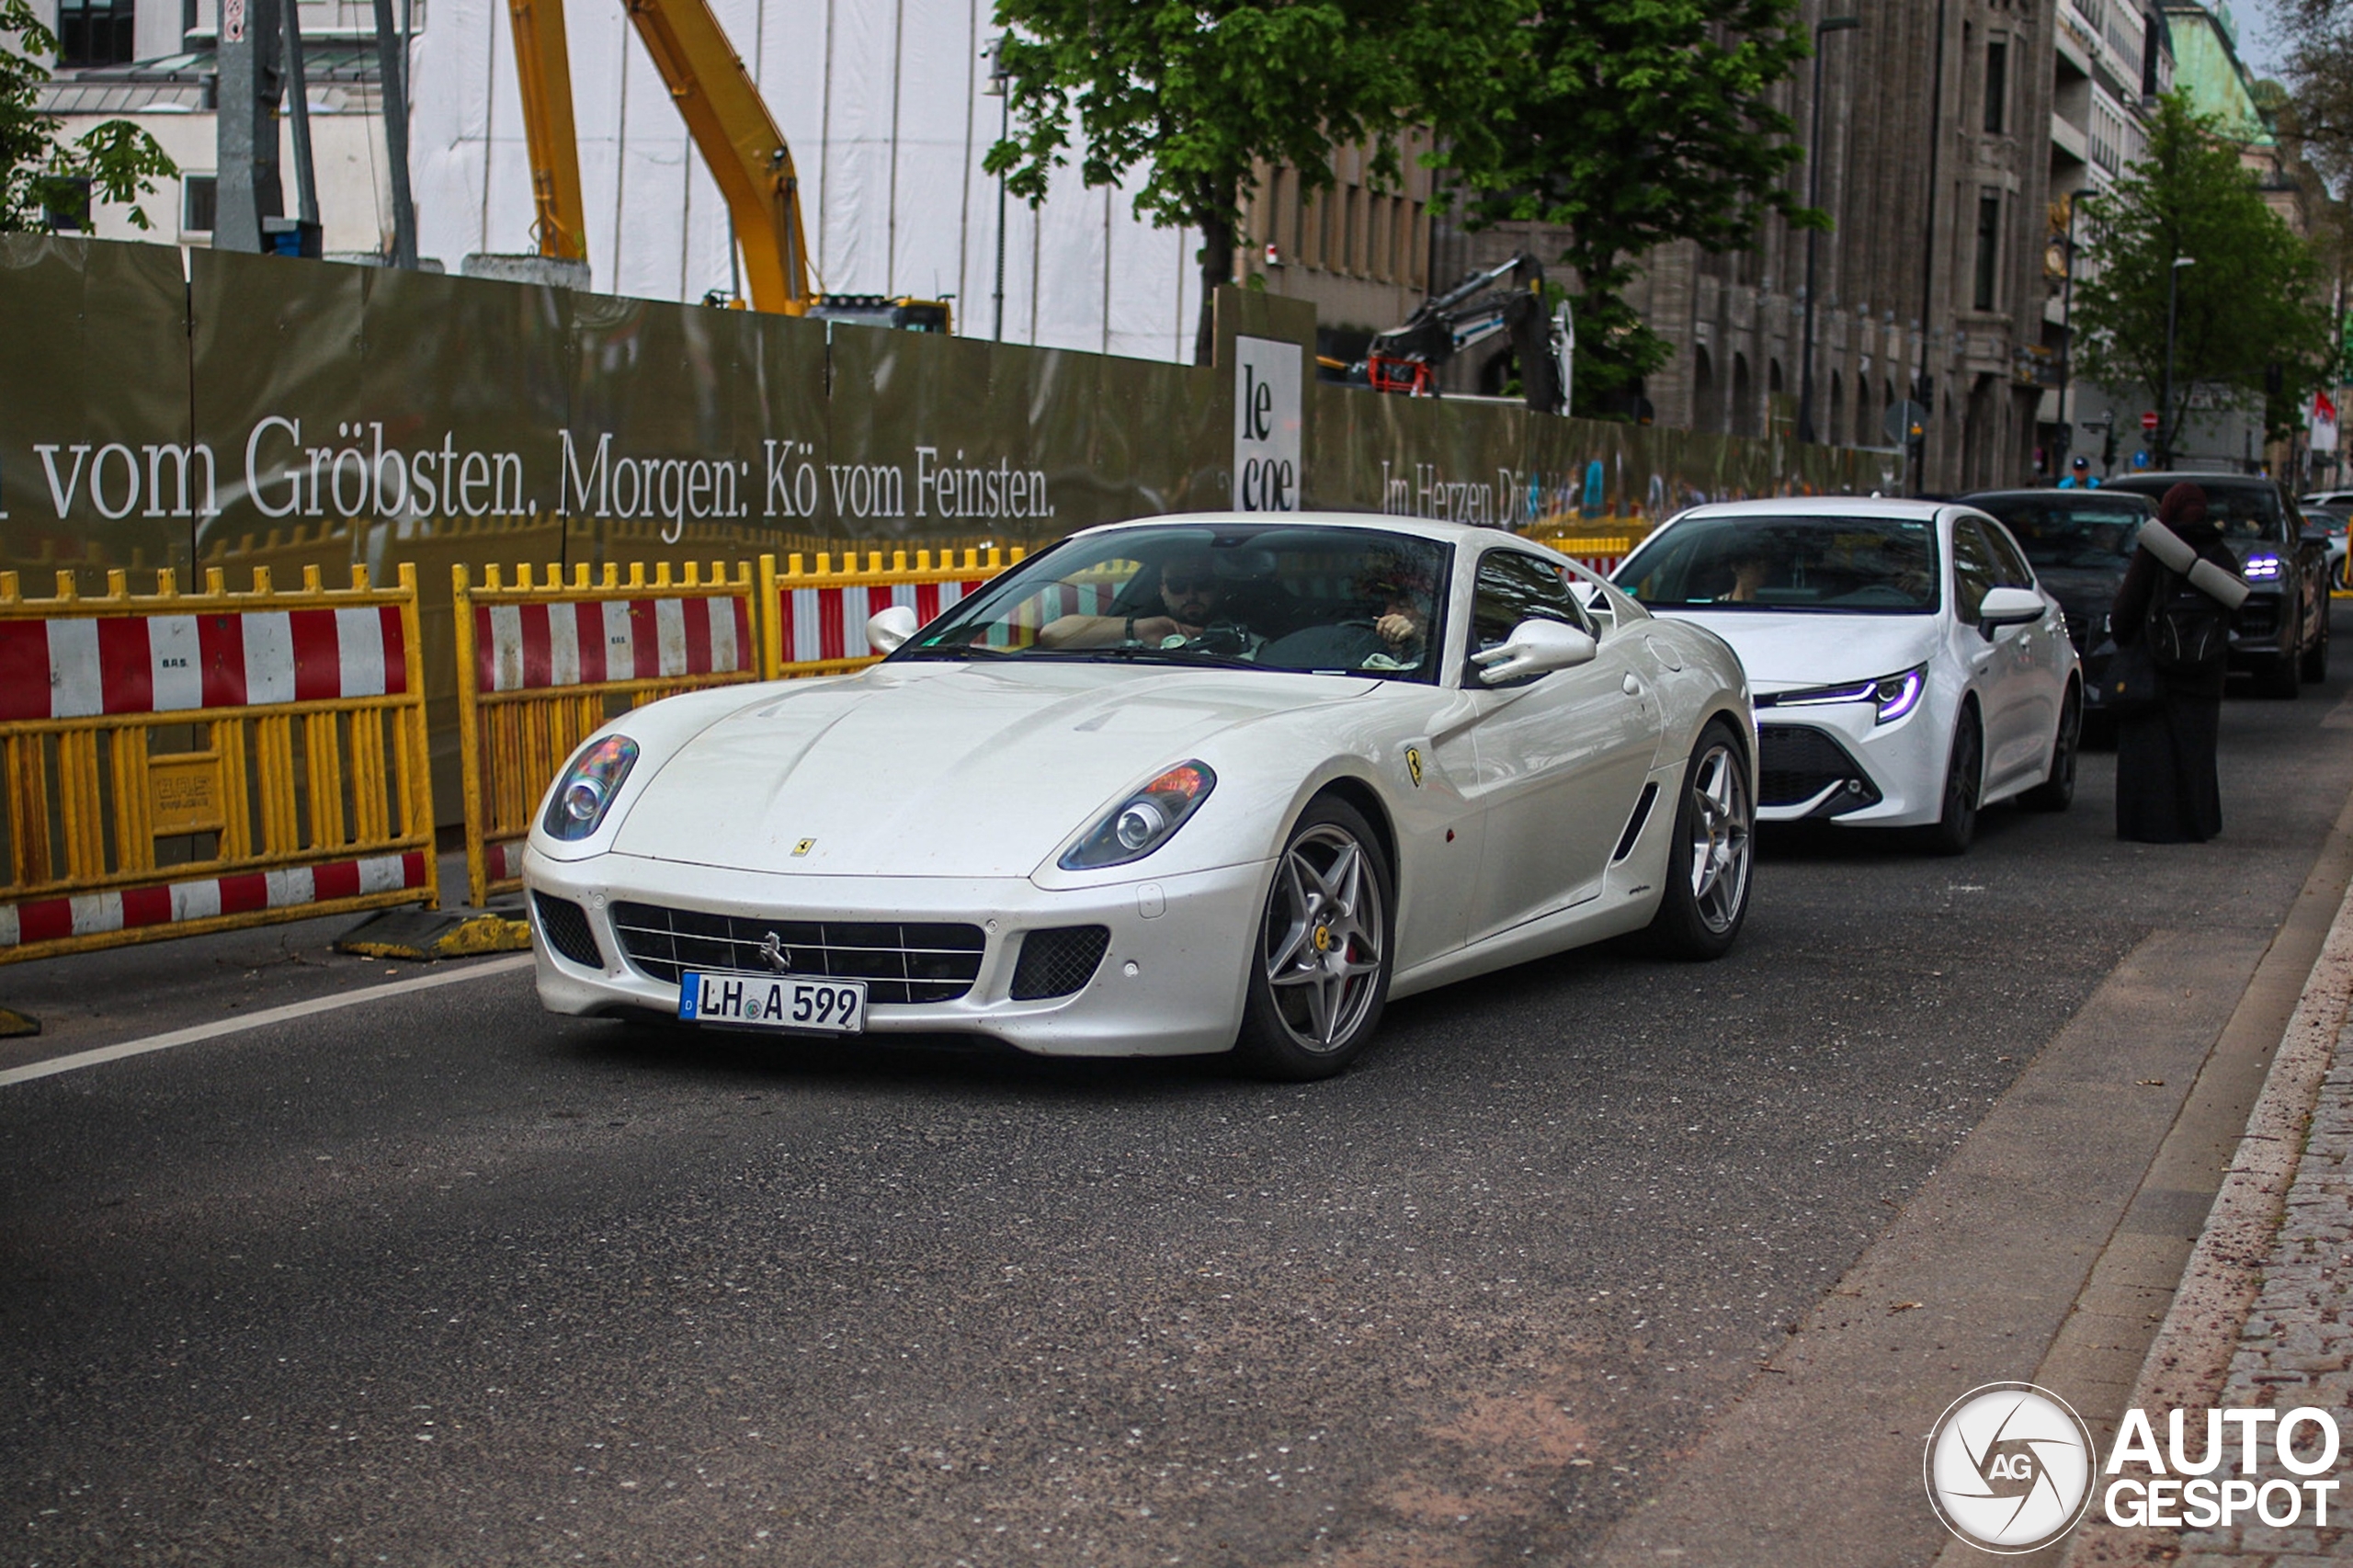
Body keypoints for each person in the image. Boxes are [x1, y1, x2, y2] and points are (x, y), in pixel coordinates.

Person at [2110, 482, 2238, 843]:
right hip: (2205, 673)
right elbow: (2238, 608)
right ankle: (2197, 822)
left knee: (2151, 754)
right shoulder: (2218, 552)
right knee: (2196, 754)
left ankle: (2150, 824)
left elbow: (2126, 611)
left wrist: (2127, 642)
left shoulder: (2156, 547)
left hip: (2155, 670)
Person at [1039, 554, 1225, 648]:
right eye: (1178, 586)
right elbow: (1051, 634)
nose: (1190, 594)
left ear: (1218, 587)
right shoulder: (1136, 639)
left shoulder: (1250, 637)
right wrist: (1137, 628)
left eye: (1203, 584)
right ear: (1162, 590)